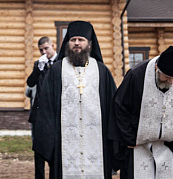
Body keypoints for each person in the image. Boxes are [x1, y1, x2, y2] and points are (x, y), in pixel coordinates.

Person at [34, 21, 117, 178]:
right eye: (73, 40)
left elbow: (113, 108)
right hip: (64, 146)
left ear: (89, 44)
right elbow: (45, 109)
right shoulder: (56, 71)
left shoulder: (101, 71)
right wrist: (49, 145)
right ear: (67, 43)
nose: (77, 43)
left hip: (97, 145)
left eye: (81, 39)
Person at [109, 46, 173, 179]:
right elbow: (120, 107)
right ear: (157, 68)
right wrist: (129, 138)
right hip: (139, 146)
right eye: (167, 77)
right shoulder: (136, 75)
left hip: (168, 147)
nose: (171, 82)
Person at [27, 36, 58, 179]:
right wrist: (38, 69)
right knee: (38, 150)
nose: (44, 52)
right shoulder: (39, 64)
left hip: (54, 113)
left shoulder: (60, 63)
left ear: (53, 46)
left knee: (53, 149)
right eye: (41, 50)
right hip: (39, 113)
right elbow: (31, 82)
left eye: (46, 48)